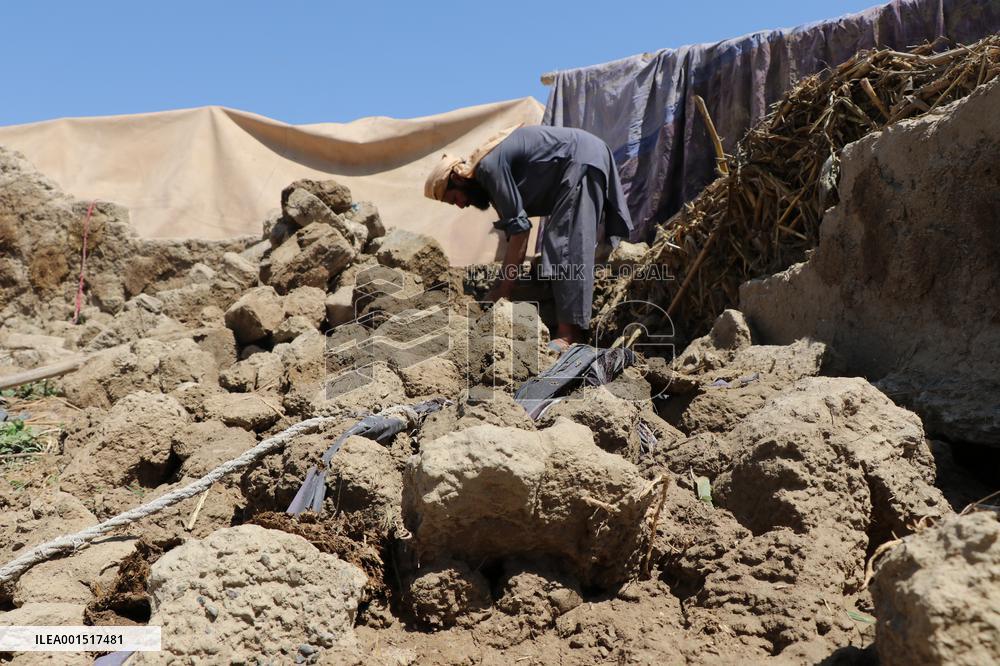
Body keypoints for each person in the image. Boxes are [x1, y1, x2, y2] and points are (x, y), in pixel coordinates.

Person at [424, 125, 635, 350]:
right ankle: (568, 321)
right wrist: (502, 284)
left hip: (579, 159)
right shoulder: (489, 175)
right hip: (582, 158)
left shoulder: (488, 168)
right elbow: (514, 231)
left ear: (458, 178)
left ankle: (569, 335)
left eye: (453, 198)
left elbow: (520, 232)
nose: (461, 205)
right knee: (557, 245)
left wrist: (503, 291)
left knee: (563, 244)